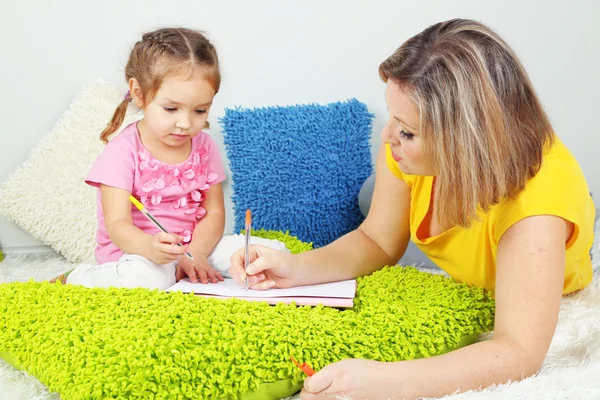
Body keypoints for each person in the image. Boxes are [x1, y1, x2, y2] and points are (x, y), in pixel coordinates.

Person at [230, 19, 596, 399]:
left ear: (464, 145)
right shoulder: (403, 150)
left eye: (406, 131)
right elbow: (376, 238)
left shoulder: (534, 211)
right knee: (368, 197)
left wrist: (384, 381)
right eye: (392, 116)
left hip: (544, 254)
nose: (387, 136)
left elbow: (518, 352)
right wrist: (294, 268)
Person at [52, 27, 228, 289]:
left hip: (191, 248)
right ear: (139, 93)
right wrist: (149, 247)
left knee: (253, 255)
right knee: (152, 277)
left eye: (200, 110)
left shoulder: (204, 146)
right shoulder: (122, 152)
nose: (185, 123)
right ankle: (77, 278)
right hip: (137, 254)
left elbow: (214, 212)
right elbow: (117, 223)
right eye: (171, 109)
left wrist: (197, 253)